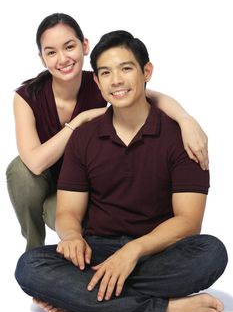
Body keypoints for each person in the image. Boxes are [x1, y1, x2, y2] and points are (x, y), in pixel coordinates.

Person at [15, 30, 227, 312]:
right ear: (97, 82)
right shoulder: (84, 137)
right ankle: (164, 307)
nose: (116, 80)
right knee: (29, 266)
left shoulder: (184, 138)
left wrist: (133, 251)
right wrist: (73, 236)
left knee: (212, 253)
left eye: (126, 68)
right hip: (96, 250)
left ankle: (81, 296)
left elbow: (189, 222)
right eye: (106, 72)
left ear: (146, 72)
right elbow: (67, 211)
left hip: (155, 250)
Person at [6, 13, 209, 251]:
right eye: (51, 52)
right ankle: (36, 248)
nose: (62, 58)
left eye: (69, 46)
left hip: (91, 185)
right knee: (19, 170)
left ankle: (106, 256)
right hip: (51, 180)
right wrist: (79, 121)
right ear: (42, 58)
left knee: (205, 250)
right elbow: (35, 163)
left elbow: (146, 94)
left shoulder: (102, 81)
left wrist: (186, 120)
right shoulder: (27, 96)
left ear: (84, 46)